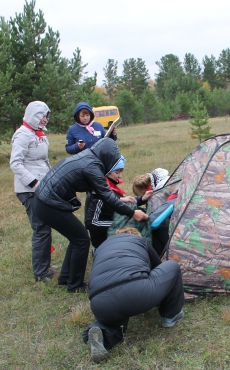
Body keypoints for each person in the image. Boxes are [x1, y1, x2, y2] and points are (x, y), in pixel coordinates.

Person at [33, 138, 148, 293]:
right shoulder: (93, 166)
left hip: (43, 201)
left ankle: (66, 278)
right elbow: (106, 196)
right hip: (49, 204)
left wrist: (126, 200)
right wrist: (133, 213)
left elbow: (103, 194)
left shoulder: (89, 157)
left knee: (76, 238)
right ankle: (75, 286)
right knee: (82, 240)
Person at [82, 228, 185, 363]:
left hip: (99, 301)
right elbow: (157, 267)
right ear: (135, 234)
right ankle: (170, 316)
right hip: (135, 292)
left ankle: (102, 333)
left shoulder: (101, 248)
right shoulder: (140, 241)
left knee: (115, 325)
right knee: (172, 266)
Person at [10, 101, 54, 282]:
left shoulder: (38, 134)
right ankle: (41, 273)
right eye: (41, 116)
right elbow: (15, 163)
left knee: (46, 227)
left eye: (46, 116)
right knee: (41, 229)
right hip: (29, 190)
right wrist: (34, 182)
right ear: (33, 115)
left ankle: (45, 266)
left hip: (42, 188)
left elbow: (42, 161)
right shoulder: (23, 134)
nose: (44, 119)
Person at [85, 157, 153, 249]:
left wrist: (142, 199)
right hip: (103, 239)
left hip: (114, 230)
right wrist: (119, 223)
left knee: (140, 213)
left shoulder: (109, 188)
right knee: (137, 219)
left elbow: (122, 204)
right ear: (106, 173)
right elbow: (91, 223)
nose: (120, 176)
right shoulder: (99, 194)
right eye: (117, 173)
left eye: (120, 172)